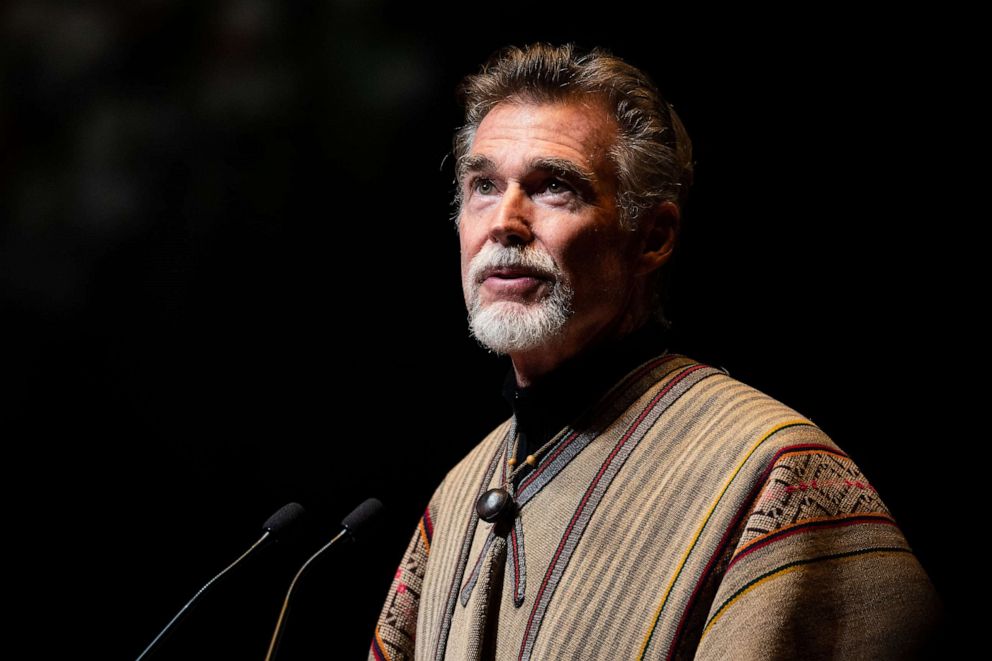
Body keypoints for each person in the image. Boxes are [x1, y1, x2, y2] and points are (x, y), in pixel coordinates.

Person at [369, 43, 940, 660]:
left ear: (654, 236)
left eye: (553, 187)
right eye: (484, 185)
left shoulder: (777, 473)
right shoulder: (456, 499)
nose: (504, 220)